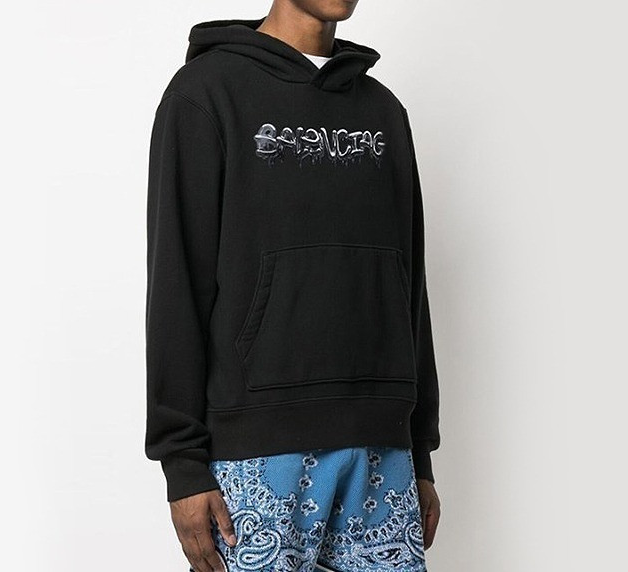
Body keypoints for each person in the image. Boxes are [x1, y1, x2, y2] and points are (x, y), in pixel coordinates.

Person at [145, 2, 442, 570]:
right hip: (257, 452)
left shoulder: (383, 112)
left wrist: (419, 450)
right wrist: (182, 463)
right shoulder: (206, 94)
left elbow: (410, 285)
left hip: (381, 450)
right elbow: (177, 281)